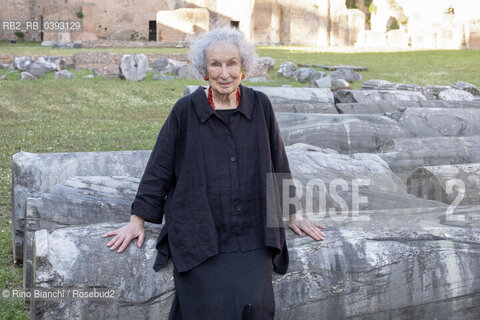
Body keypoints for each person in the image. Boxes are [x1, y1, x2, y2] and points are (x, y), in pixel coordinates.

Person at [102, 26, 326, 320]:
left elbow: (278, 163)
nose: (224, 73)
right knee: (203, 308)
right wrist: (137, 221)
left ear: (243, 68)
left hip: (252, 231)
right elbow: (159, 167)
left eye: (231, 63)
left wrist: (291, 214)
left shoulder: (261, 106)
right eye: (215, 64)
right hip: (199, 231)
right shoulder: (185, 110)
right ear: (204, 71)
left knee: (253, 305)